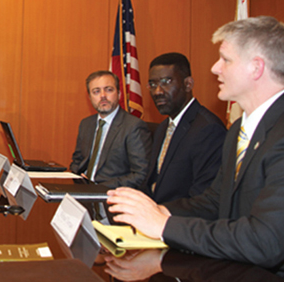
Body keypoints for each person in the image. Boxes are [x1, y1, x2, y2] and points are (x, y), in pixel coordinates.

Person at [107, 16, 284, 275]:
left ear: (256, 68)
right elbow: (215, 202)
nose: (214, 68)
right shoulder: (239, 130)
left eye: (226, 59)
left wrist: (164, 226)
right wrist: (157, 211)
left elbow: (265, 240)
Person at [142, 53, 226, 203]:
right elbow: (154, 184)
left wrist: (157, 215)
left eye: (166, 82)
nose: (158, 91)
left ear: (188, 84)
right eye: (152, 84)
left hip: (180, 222)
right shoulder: (163, 128)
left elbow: (203, 200)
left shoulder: (209, 129)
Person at [70, 70, 152, 189]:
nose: (103, 95)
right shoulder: (86, 124)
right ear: (90, 97)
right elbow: (77, 160)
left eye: (108, 89)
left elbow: (141, 174)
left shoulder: (133, 126)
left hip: (112, 195)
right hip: (83, 191)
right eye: (96, 91)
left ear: (119, 94)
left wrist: (100, 187)